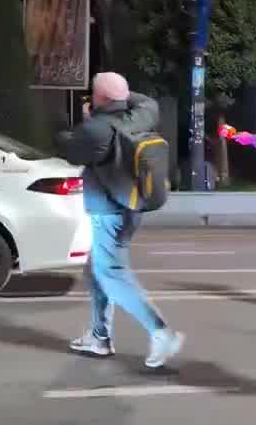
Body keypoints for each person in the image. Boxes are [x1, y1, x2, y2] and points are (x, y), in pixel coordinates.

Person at [56, 72, 184, 369]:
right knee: (97, 270)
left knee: (110, 273)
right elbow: (147, 100)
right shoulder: (143, 114)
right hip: (131, 206)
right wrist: (121, 97)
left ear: (100, 98)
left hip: (107, 211)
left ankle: (161, 332)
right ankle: (99, 337)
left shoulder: (96, 129)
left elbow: (70, 150)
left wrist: (72, 124)